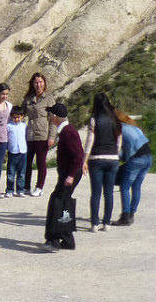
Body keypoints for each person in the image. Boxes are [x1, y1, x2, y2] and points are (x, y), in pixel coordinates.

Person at [43, 103, 84, 251]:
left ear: (54, 117)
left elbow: (78, 155)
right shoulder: (67, 130)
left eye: (51, 115)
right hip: (68, 173)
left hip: (70, 174)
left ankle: (53, 240)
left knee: (57, 202)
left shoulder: (68, 132)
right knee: (63, 203)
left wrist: (71, 175)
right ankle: (67, 240)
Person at [83, 93, 122, 231]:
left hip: (97, 158)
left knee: (96, 193)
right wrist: (115, 154)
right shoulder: (115, 119)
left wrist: (85, 160)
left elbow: (89, 141)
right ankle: (107, 223)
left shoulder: (94, 119)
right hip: (112, 158)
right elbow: (119, 141)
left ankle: (94, 223)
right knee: (109, 193)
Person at [22, 71, 56, 196]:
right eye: (36, 82)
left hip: (43, 134)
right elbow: (21, 113)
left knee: (41, 162)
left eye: (41, 82)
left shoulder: (49, 99)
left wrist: (51, 136)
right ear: (32, 84)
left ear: (44, 83)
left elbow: (53, 120)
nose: (38, 85)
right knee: (28, 161)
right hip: (30, 134)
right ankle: (26, 186)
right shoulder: (28, 99)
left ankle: (39, 187)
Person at [115, 110, 150, 225]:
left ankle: (125, 216)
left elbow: (128, 153)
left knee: (125, 187)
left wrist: (115, 156)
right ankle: (131, 214)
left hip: (137, 159)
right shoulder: (133, 127)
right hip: (148, 158)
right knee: (136, 187)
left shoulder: (122, 130)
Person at [4, 105, 29, 197]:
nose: (16, 119)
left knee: (21, 173)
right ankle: (10, 190)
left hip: (22, 151)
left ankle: (20, 189)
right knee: (11, 172)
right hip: (12, 152)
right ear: (11, 116)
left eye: (18, 117)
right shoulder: (9, 126)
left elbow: (25, 137)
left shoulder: (24, 126)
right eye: (14, 117)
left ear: (22, 116)